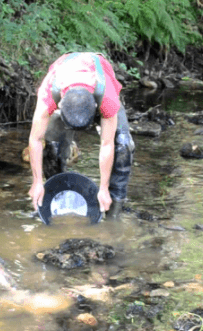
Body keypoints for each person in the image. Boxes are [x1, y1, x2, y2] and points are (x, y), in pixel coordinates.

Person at [27, 52, 134, 219]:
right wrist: (37, 182)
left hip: (99, 86)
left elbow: (107, 144)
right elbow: (35, 139)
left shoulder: (107, 98)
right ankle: (57, 196)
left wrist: (104, 187)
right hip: (64, 88)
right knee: (52, 146)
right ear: (60, 106)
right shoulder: (48, 93)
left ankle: (114, 209)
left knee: (123, 145)